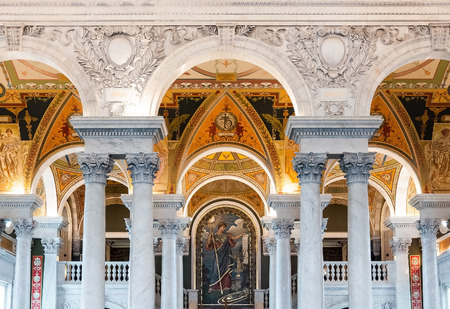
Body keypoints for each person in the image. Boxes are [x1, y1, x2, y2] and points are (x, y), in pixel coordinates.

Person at [205, 222, 243, 292]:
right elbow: (208, 243)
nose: (224, 229)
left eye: (225, 227)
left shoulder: (226, 235)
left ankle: (226, 286)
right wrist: (210, 233)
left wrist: (240, 235)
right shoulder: (214, 236)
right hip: (218, 256)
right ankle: (212, 287)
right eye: (223, 227)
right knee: (215, 271)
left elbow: (234, 238)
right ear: (220, 227)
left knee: (226, 270)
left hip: (226, 256)